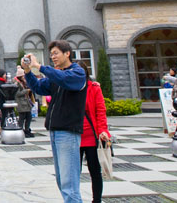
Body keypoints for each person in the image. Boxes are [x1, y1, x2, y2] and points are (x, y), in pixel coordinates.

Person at [22, 40, 88, 203]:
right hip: (55, 131)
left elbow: (64, 78)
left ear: (67, 54)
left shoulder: (77, 73)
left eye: (56, 53)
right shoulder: (57, 75)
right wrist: (28, 72)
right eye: (51, 54)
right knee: (62, 181)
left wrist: (41, 67)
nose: (53, 57)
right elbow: (38, 87)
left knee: (69, 183)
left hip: (68, 132)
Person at [77, 61, 111, 203]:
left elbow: (100, 111)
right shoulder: (68, 87)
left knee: (95, 171)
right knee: (73, 173)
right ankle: (74, 199)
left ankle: (96, 200)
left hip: (91, 136)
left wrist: (103, 130)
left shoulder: (94, 88)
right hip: (74, 135)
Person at [15, 73, 34, 138]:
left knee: (29, 117)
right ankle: (20, 130)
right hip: (21, 103)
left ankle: (27, 130)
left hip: (26, 103)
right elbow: (17, 94)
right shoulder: (17, 83)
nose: (24, 77)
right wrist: (27, 90)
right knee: (22, 118)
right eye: (23, 76)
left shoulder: (24, 83)